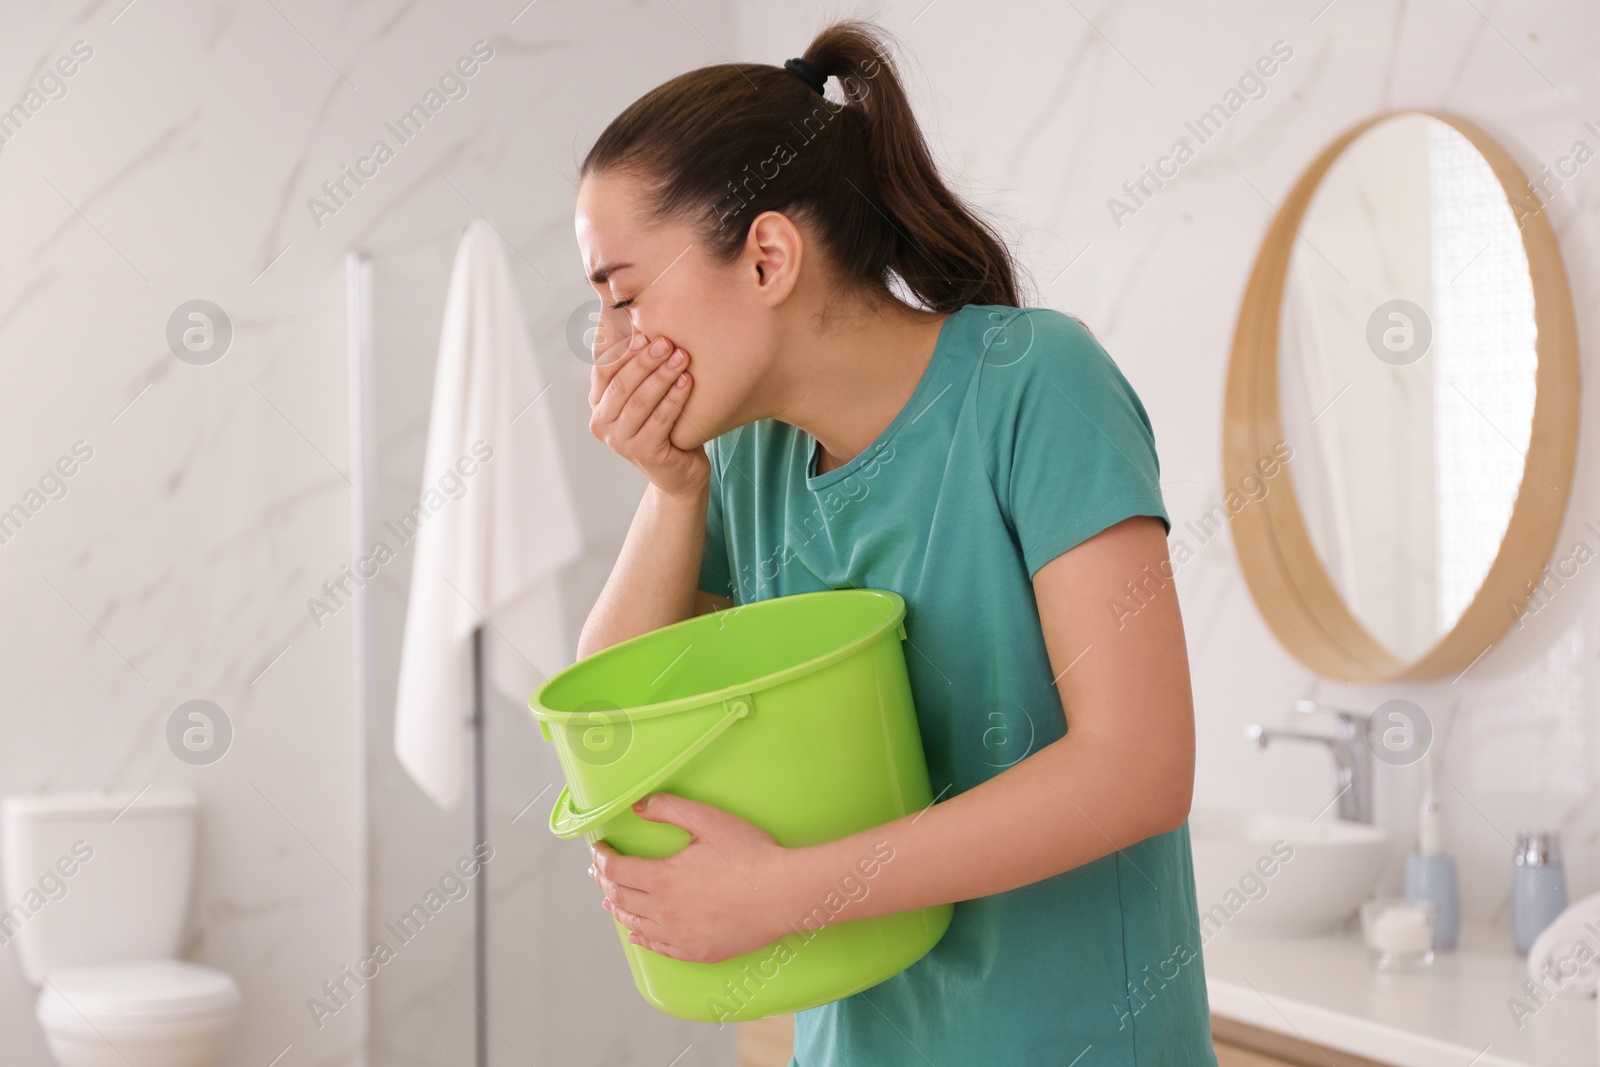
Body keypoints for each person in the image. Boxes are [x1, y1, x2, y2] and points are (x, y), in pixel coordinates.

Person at [573, 16, 1216, 1066]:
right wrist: (671, 490)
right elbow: (606, 743)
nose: (609, 353)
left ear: (769, 255)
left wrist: (778, 891)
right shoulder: (749, 464)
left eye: (625, 297)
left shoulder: (1035, 386)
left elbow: (1136, 765)